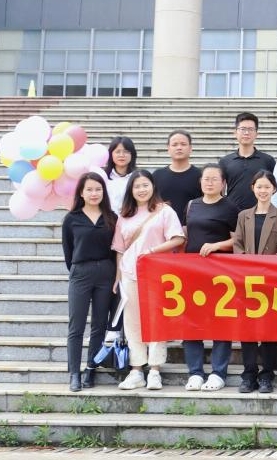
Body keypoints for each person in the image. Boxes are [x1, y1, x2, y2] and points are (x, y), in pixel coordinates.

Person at [112, 170, 184, 391]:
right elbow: (120, 249)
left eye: (145, 185)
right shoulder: (124, 215)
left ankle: (154, 369)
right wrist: (118, 277)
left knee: (156, 319)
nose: (142, 190)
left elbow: (178, 238)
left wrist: (153, 251)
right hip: (130, 273)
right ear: (131, 190)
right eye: (137, 186)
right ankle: (136, 370)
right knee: (132, 321)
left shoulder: (164, 211)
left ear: (153, 186)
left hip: (156, 273)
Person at [183, 164, 240, 391]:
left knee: (220, 321)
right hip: (192, 272)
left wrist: (216, 245)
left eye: (214, 179)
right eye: (206, 178)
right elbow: (186, 235)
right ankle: (195, 372)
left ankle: (218, 372)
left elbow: (238, 240)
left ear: (223, 183)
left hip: (219, 273)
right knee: (191, 321)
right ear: (200, 182)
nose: (209, 182)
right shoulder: (192, 205)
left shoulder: (230, 207)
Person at [230, 171, 277, 394]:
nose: (263, 191)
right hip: (247, 280)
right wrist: (248, 266)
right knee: (248, 330)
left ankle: (266, 376)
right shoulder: (243, 215)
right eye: (259, 186)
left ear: (274, 189)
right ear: (253, 188)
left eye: (267, 187)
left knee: (269, 330)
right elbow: (237, 244)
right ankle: (249, 375)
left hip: (271, 281)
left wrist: (266, 268)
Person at [62, 172, 117, 392]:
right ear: (81, 193)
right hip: (81, 272)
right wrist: (79, 269)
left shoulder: (112, 217)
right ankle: (74, 373)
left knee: (99, 324)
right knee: (76, 325)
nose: (94, 193)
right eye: (89, 189)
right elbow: (68, 251)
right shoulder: (72, 219)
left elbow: (116, 249)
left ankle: (90, 369)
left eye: (98, 189)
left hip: (106, 272)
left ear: (104, 192)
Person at [218, 112, 277, 213]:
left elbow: (274, 189)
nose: (246, 133)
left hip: (260, 214)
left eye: (250, 129)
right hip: (232, 215)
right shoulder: (225, 161)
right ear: (235, 132)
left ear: (256, 134)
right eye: (243, 129)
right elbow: (220, 191)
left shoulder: (268, 161)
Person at [153, 130, 201, 225]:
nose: (179, 148)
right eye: (174, 145)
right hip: (162, 228)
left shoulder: (201, 176)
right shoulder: (157, 175)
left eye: (183, 144)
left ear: (190, 148)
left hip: (192, 228)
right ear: (168, 149)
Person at [104, 136, 137, 211]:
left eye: (126, 151)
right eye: (117, 152)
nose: (121, 155)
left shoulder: (138, 177)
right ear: (111, 154)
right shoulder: (104, 176)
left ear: (132, 154)